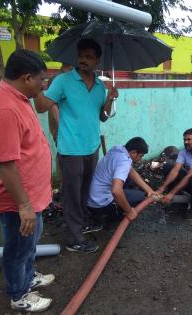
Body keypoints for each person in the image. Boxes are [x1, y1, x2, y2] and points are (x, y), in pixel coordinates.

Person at [34, 38, 118, 253]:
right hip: (70, 148)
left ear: (97, 60)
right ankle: (74, 237)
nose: (83, 60)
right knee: (71, 194)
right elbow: (42, 107)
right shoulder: (63, 81)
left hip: (92, 148)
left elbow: (103, 117)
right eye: (81, 56)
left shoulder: (100, 86)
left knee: (84, 191)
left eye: (89, 57)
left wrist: (110, 99)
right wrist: (39, 88)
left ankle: (80, 224)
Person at [0, 50, 54, 312]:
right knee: (17, 248)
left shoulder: (18, 96)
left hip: (31, 193)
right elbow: (5, 164)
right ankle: (19, 294)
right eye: (42, 79)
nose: (44, 84)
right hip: (17, 198)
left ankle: (28, 277)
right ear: (27, 78)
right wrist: (24, 205)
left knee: (30, 239)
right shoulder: (5, 108)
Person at [87, 137, 156, 225]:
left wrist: (149, 190)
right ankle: (111, 219)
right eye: (141, 156)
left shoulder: (117, 149)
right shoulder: (124, 162)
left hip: (90, 197)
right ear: (133, 153)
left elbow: (131, 171)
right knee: (140, 197)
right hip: (100, 204)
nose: (141, 159)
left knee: (128, 178)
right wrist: (130, 211)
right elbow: (116, 191)